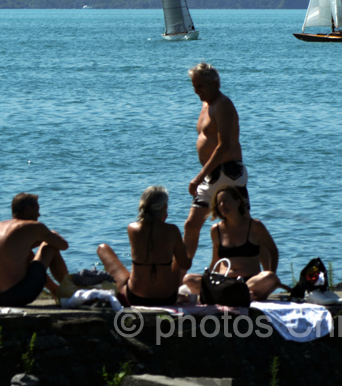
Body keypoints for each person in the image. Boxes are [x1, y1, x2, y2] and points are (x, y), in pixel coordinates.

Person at [182, 62, 246, 260]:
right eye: (194, 86)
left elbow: (224, 145)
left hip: (228, 173)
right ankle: (179, 273)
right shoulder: (206, 105)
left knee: (240, 228)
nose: (196, 91)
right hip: (210, 175)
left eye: (200, 86)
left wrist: (198, 177)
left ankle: (254, 271)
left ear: (215, 83)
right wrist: (203, 175)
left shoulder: (224, 105)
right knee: (191, 225)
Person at [97, 186, 191, 307]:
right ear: (163, 207)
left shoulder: (132, 228)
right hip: (167, 298)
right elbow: (185, 264)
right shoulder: (172, 230)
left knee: (102, 248)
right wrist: (183, 247)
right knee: (178, 256)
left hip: (135, 297)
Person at [183, 186, 281, 301]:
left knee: (269, 277)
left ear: (238, 202)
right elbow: (216, 260)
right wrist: (209, 279)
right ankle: (236, 294)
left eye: (226, 201)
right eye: (219, 203)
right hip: (224, 280)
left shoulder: (255, 226)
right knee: (188, 279)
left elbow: (273, 250)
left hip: (249, 281)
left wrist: (271, 274)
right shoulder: (216, 229)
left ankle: (227, 294)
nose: (222, 205)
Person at [0, 193, 69, 307]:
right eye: (37, 210)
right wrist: (53, 234)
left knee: (27, 254)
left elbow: (17, 249)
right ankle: (69, 291)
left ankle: (54, 290)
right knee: (50, 247)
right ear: (28, 210)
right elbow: (63, 245)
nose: (39, 214)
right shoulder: (34, 226)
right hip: (14, 296)